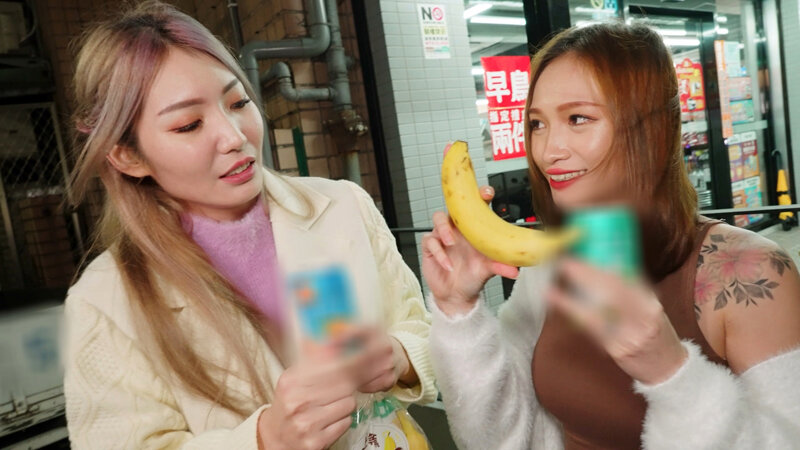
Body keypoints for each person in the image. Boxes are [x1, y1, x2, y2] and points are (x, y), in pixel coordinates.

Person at [62, 2, 435, 449]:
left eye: (238, 102)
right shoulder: (104, 300)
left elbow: (422, 329)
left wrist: (401, 356)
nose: (234, 136)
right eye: (189, 125)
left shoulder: (342, 206)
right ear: (128, 156)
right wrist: (264, 439)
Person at [422, 22, 800, 449]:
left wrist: (671, 373)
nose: (548, 151)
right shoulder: (552, 263)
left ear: (652, 129)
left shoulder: (752, 274)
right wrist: (459, 311)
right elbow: (500, 439)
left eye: (578, 118)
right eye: (537, 123)